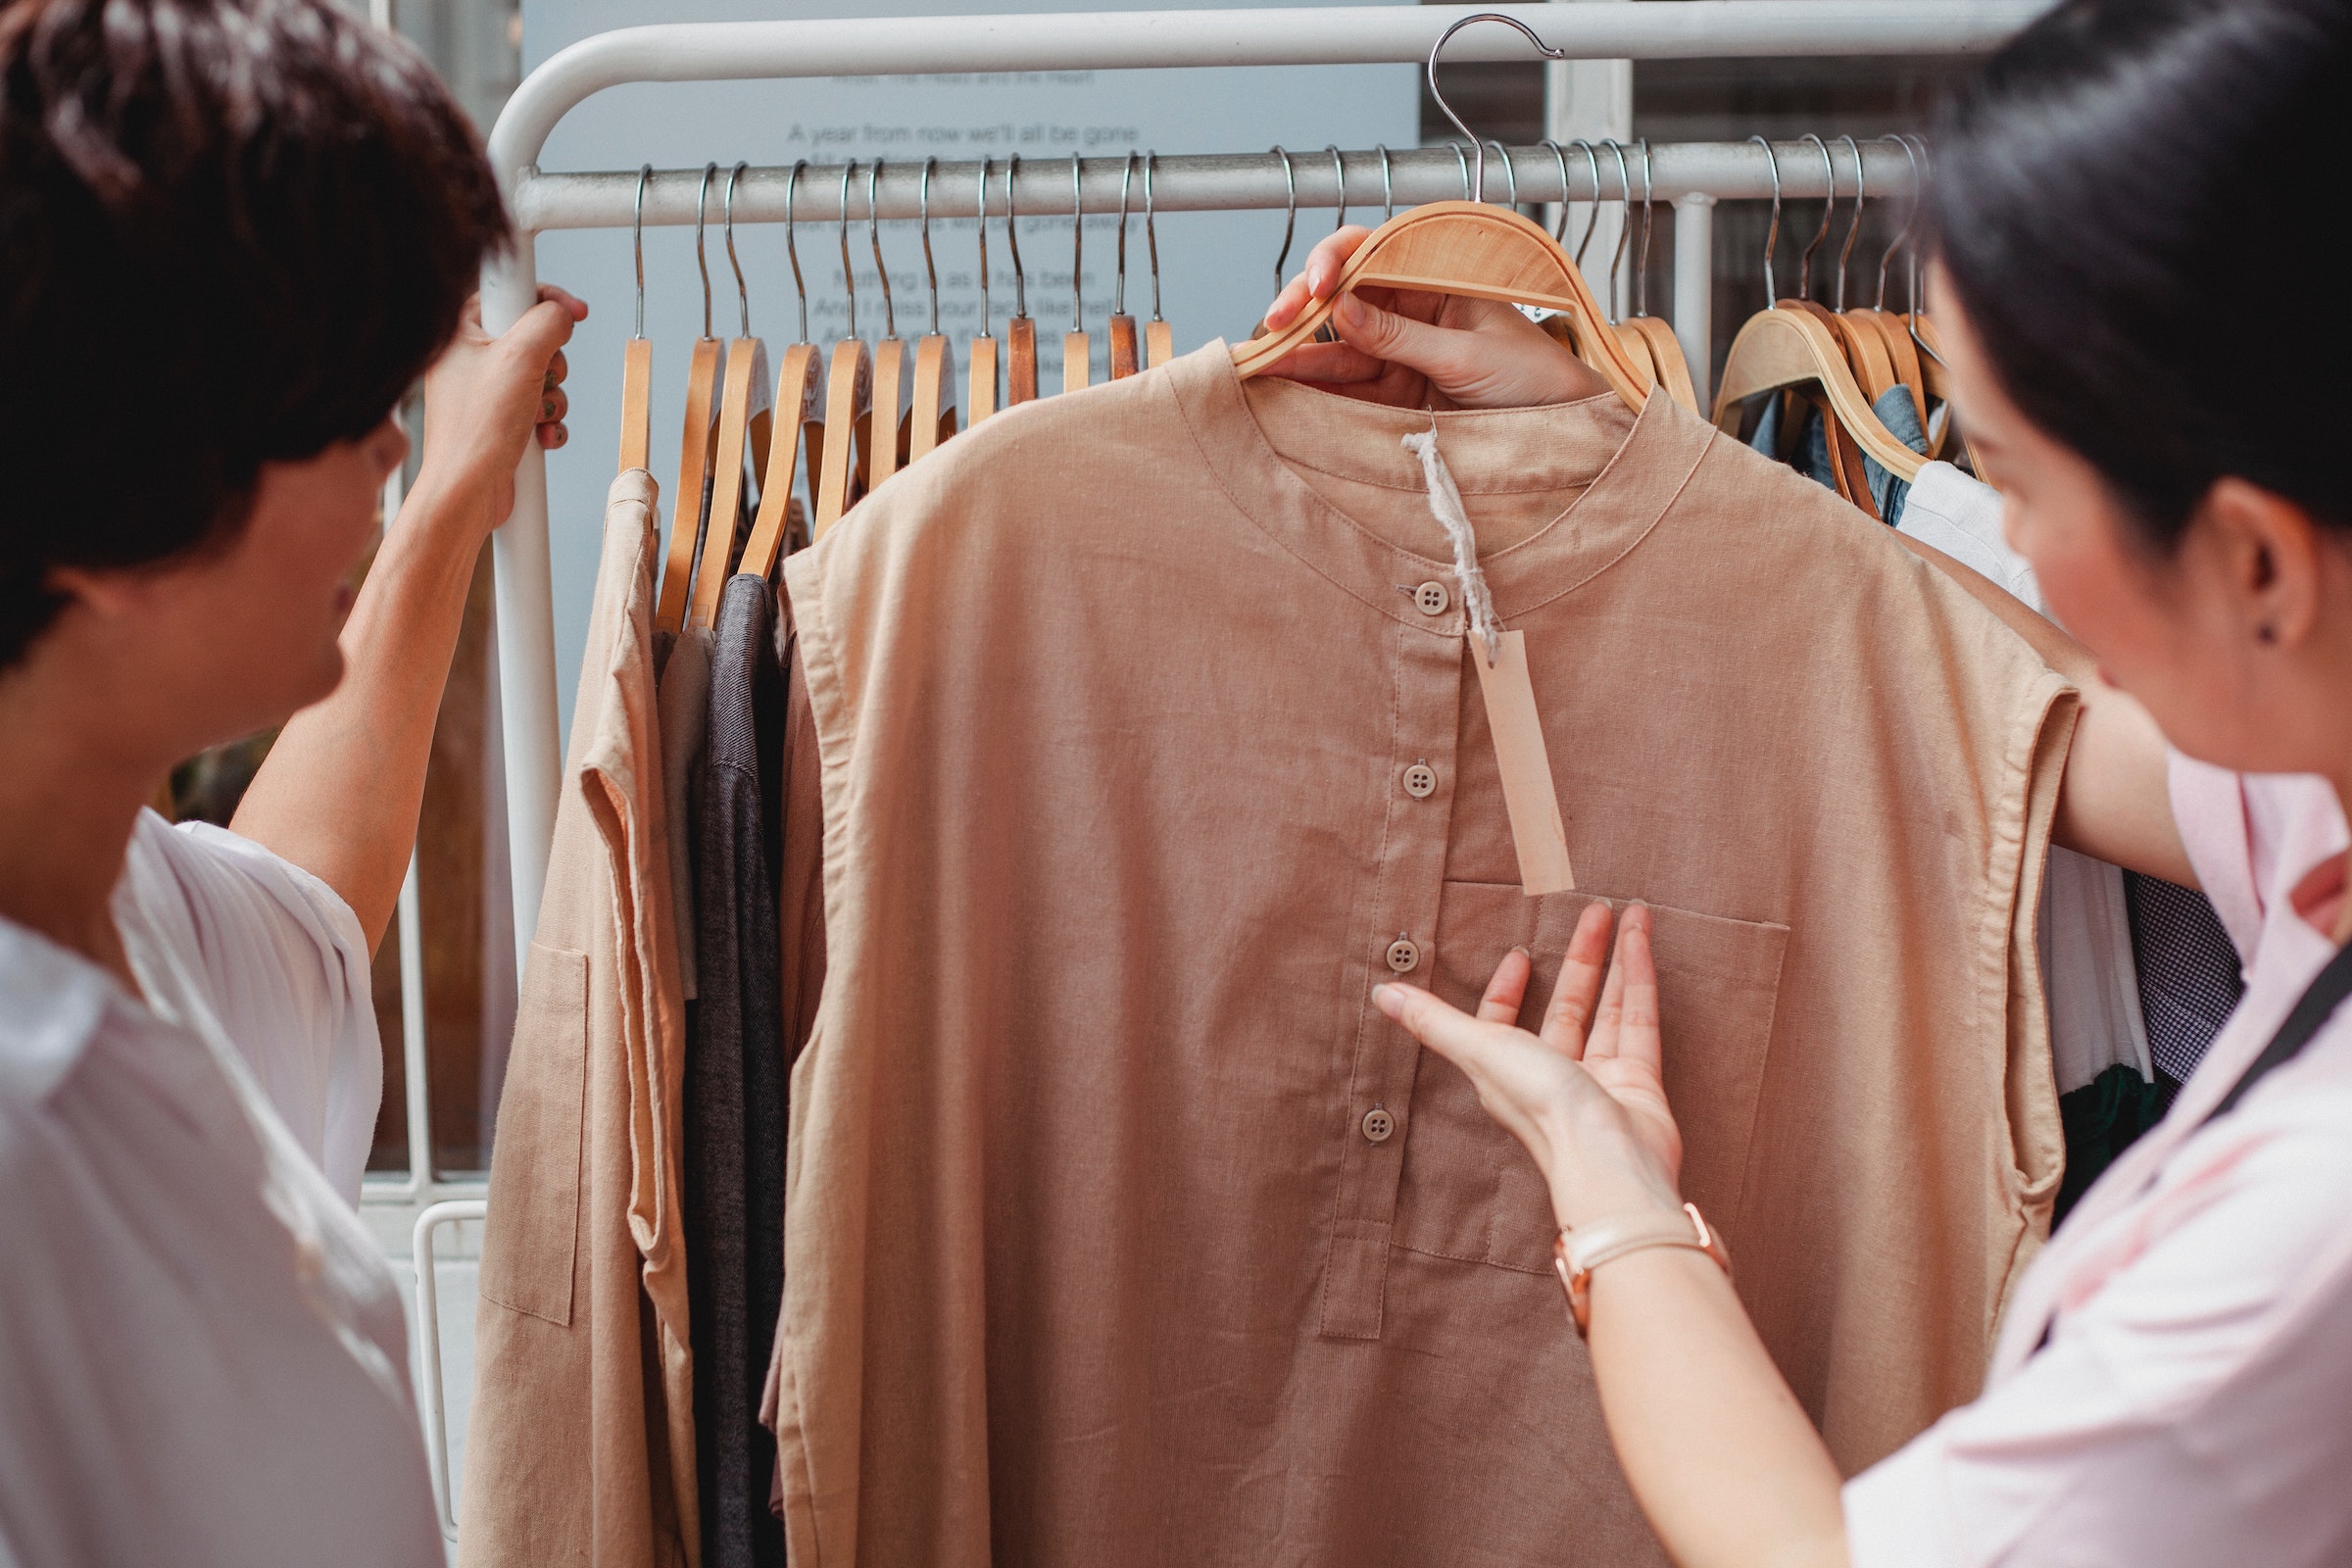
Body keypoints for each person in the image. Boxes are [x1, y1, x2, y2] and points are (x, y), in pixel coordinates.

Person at [1261, 0, 2352, 1561]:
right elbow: (2059, 717)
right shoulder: (2316, 783)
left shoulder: (2306, 1242)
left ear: (2251, 556)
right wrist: (1619, 459)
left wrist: (1610, 1183)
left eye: (2018, 482)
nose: (2005, 544)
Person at [0, 0, 581, 1560]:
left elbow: (310, 910)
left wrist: (453, 492)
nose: (383, 457)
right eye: (341, 413)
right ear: (120, 483)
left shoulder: (105, 888)